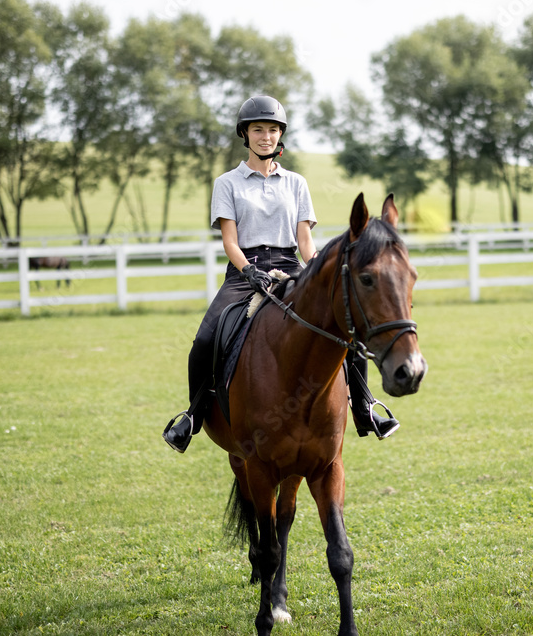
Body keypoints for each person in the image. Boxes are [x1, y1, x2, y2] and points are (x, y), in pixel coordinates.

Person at [162, 95, 399, 453]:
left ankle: (365, 408)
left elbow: (305, 239)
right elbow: (230, 240)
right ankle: (193, 416)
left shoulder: (296, 183)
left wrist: (319, 269)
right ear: (245, 134)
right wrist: (248, 270)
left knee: (344, 329)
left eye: (273, 130)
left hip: (291, 266)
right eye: (258, 129)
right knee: (205, 340)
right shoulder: (227, 183)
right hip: (245, 272)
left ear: (280, 135)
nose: (266, 136)